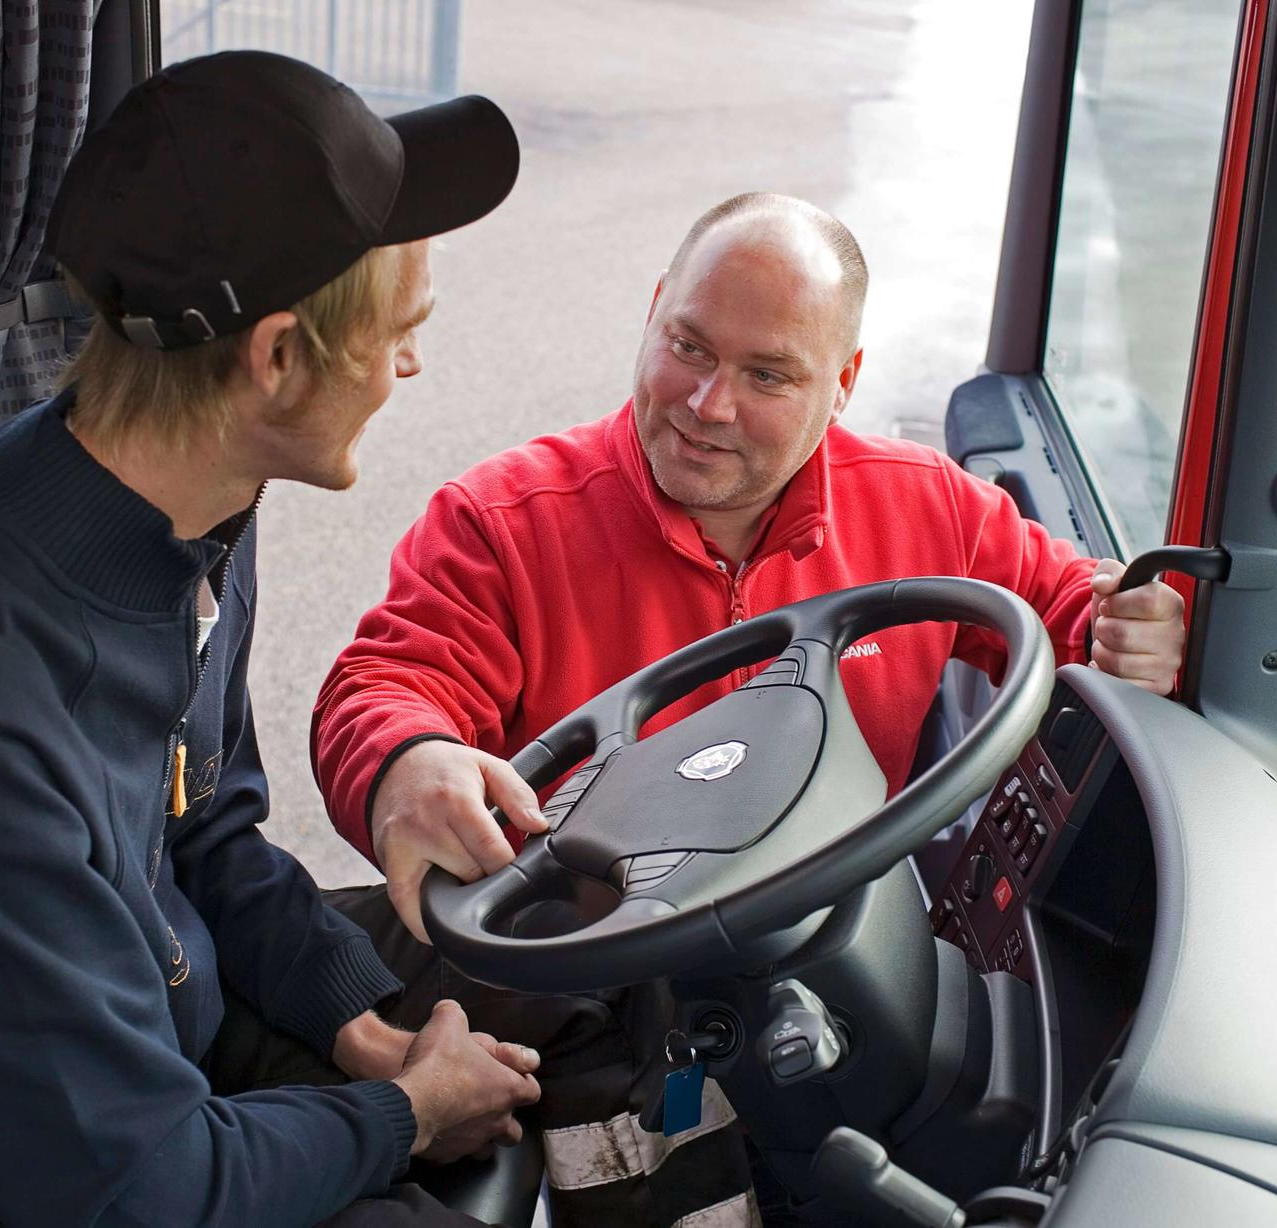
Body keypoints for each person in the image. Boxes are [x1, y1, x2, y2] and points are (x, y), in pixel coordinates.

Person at [0, 52, 538, 1228]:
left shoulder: (200, 503)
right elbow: (130, 1186)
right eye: (398, 333)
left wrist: (345, 1010)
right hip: (27, 1185)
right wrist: (407, 1113)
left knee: (574, 947)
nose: (410, 366)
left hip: (173, 1035)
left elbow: (205, 821)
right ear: (275, 359)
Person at [311, 192, 1187, 1225]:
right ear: (652, 314)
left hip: (825, 958)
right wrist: (405, 756)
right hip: (593, 963)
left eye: (766, 374)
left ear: (843, 382)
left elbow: (1061, 602)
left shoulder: (927, 506)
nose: (706, 402)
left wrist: (1129, 625)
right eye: (686, 346)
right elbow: (384, 685)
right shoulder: (503, 520)